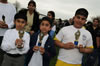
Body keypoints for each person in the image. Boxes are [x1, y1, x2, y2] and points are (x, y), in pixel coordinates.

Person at [0, 0, 16, 65]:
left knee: (2, 56)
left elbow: (14, 20)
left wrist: (8, 25)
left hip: (6, 36)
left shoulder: (12, 7)